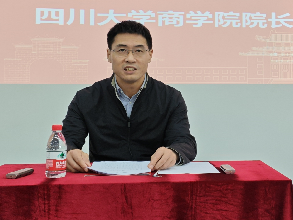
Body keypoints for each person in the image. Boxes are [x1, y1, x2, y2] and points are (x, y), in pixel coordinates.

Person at [61, 20, 197, 173]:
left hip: (153, 176)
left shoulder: (170, 97)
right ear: (109, 55)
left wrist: (173, 152)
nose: (130, 58)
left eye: (138, 51)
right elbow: (67, 139)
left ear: (150, 55)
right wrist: (69, 152)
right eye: (122, 50)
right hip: (102, 178)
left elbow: (184, 141)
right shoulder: (86, 98)